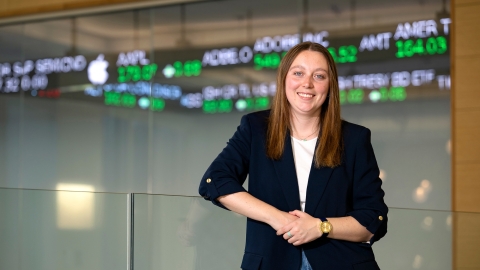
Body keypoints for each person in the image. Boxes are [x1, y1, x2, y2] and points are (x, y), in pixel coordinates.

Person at [199, 41, 388, 270]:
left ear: (330, 86)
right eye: (298, 73)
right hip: (271, 261)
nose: (307, 84)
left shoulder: (355, 139)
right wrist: (278, 218)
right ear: (284, 79)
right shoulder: (255, 128)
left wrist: (320, 227)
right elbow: (215, 181)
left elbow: (374, 219)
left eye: (319, 76)